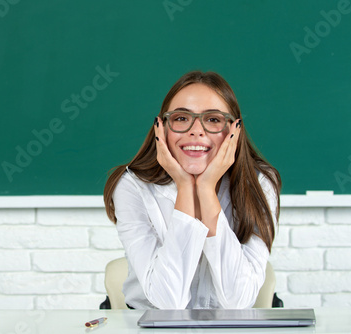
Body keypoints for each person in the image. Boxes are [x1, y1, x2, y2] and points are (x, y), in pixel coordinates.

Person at [103, 71, 281, 309]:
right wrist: (186, 186)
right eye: (181, 118)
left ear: (234, 130)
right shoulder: (132, 186)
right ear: (162, 127)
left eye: (213, 120)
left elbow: (238, 300)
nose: (196, 130)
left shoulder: (259, 184)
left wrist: (206, 189)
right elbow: (168, 302)